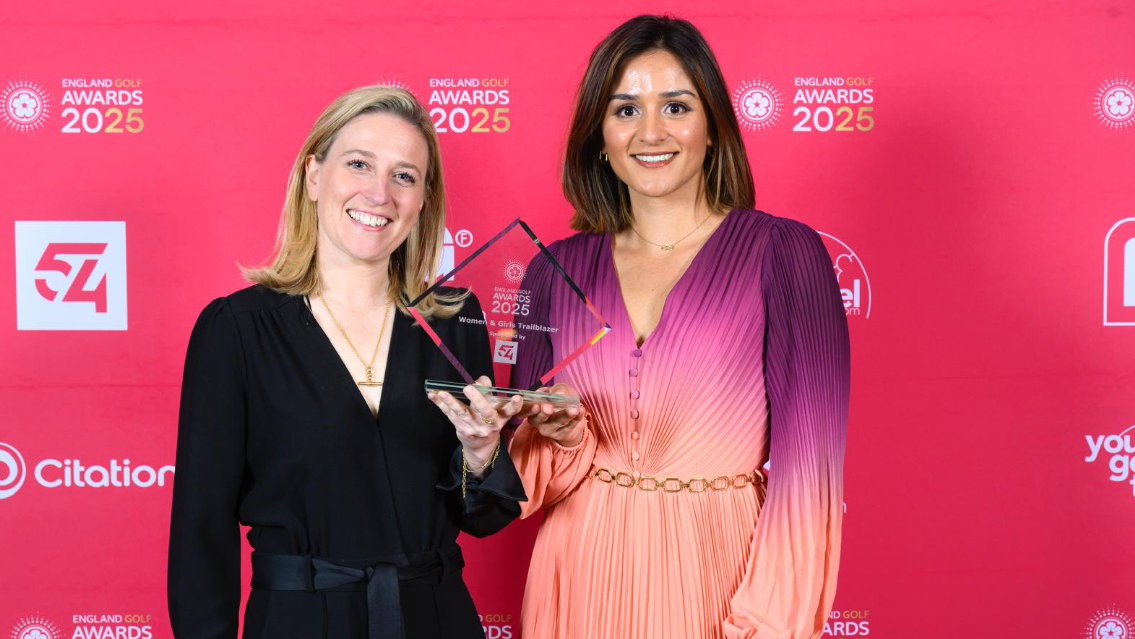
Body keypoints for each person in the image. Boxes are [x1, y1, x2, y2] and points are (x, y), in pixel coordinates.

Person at [508, 15, 850, 639]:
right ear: (600, 136)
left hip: (716, 577)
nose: (651, 132)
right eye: (626, 110)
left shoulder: (783, 253)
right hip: (577, 573)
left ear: (714, 125)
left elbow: (809, 472)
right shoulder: (552, 272)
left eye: (676, 106)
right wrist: (548, 437)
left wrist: (768, 626)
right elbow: (522, 482)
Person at [167, 85, 526, 639]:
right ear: (314, 176)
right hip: (296, 624)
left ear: (422, 200)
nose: (379, 193)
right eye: (359, 164)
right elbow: (201, 533)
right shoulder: (235, 330)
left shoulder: (456, 319)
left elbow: (481, 518)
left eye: (404, 175)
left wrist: (481, 456)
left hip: (436, 619)